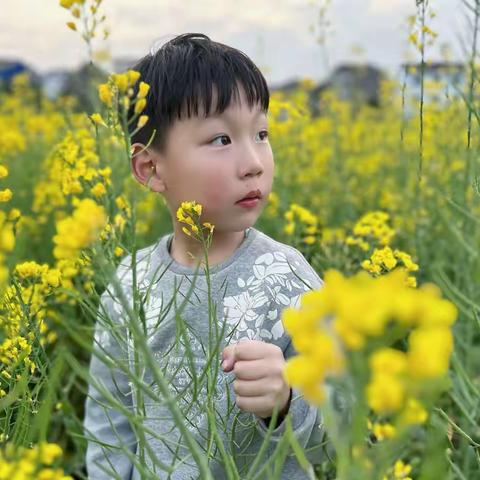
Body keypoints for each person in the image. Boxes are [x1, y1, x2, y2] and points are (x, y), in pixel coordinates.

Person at [83, 32, 327, 479]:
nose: (254, 161)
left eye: (262, 133)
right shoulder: (128, 285)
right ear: (150, 169)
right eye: (221, 139)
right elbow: (109, 426)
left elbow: (345, 424)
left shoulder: (287, 277)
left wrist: (287, 400)